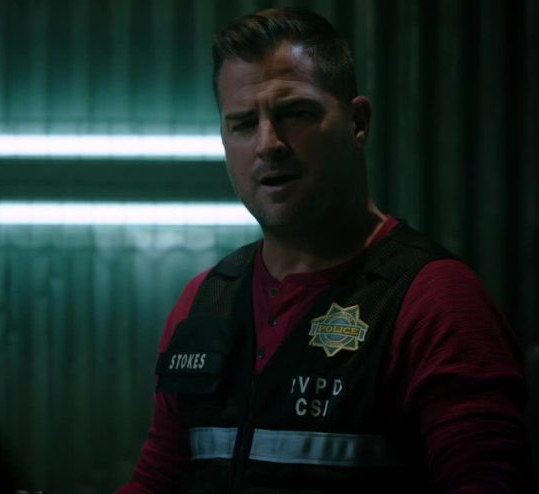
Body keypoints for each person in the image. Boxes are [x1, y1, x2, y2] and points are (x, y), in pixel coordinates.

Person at [116, 7, 531, 493]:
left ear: (357, 122)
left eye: (295, 113)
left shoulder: (436, 302)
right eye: (243, 123)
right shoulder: (204, 301)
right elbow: (157, 480)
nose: (268, 144)